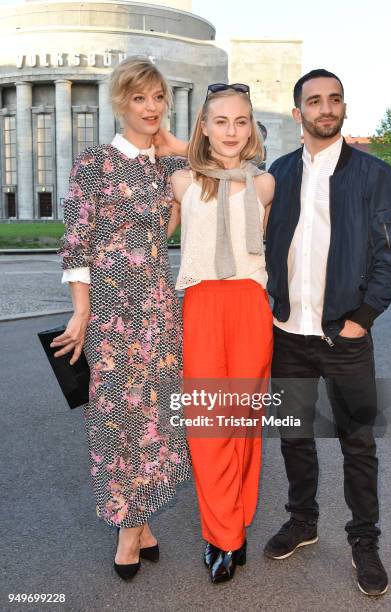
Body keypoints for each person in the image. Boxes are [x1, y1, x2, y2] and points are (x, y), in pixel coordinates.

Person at [264, 69, 391, 596]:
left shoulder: (373, 175)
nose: (327, 108)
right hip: (286, 334)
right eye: (315, 101)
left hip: (344, 338)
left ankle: (363, 542)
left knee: (358, 442)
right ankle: (302, 521)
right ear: (298, 110)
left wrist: (362, 318)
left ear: (343, 107)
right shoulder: (277, 173)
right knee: (295, 436)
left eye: (335, 99)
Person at [52, 57, 191, 581]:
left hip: (158, 307)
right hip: (111, 309)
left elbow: (229, 165)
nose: (151, 107)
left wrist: (174, 145)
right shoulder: (94, 163)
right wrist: (82, 311)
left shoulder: (170, 167)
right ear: (120, 103)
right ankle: (129, 526)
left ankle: (139, 521)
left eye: (159, 98)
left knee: (156, 418)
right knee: (116, 420)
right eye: (140, 98)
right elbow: (76, 242)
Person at [167, 83, 275, 583]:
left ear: (250, 127)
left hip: (250, 305)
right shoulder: (183, 183)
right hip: (203, 303)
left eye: (241, 121)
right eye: (221, 121)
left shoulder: (265, 185)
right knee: (209, 426)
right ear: (204, 127)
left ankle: (234, 522)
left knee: (243, 424)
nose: (232, 131)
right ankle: (223, 534)